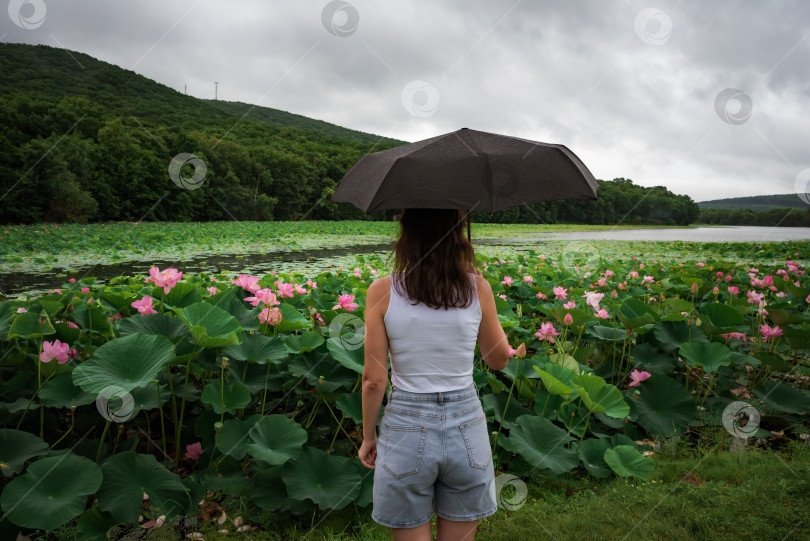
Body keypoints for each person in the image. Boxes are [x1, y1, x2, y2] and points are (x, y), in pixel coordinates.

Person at [358, 208, 510, 541]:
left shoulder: (382, 291)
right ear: (458, 237)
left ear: (406, 236)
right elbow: (497, 359)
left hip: (405, 426)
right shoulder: (477, 288)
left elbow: (373, 379)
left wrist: (370, 437)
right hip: (466, 425)